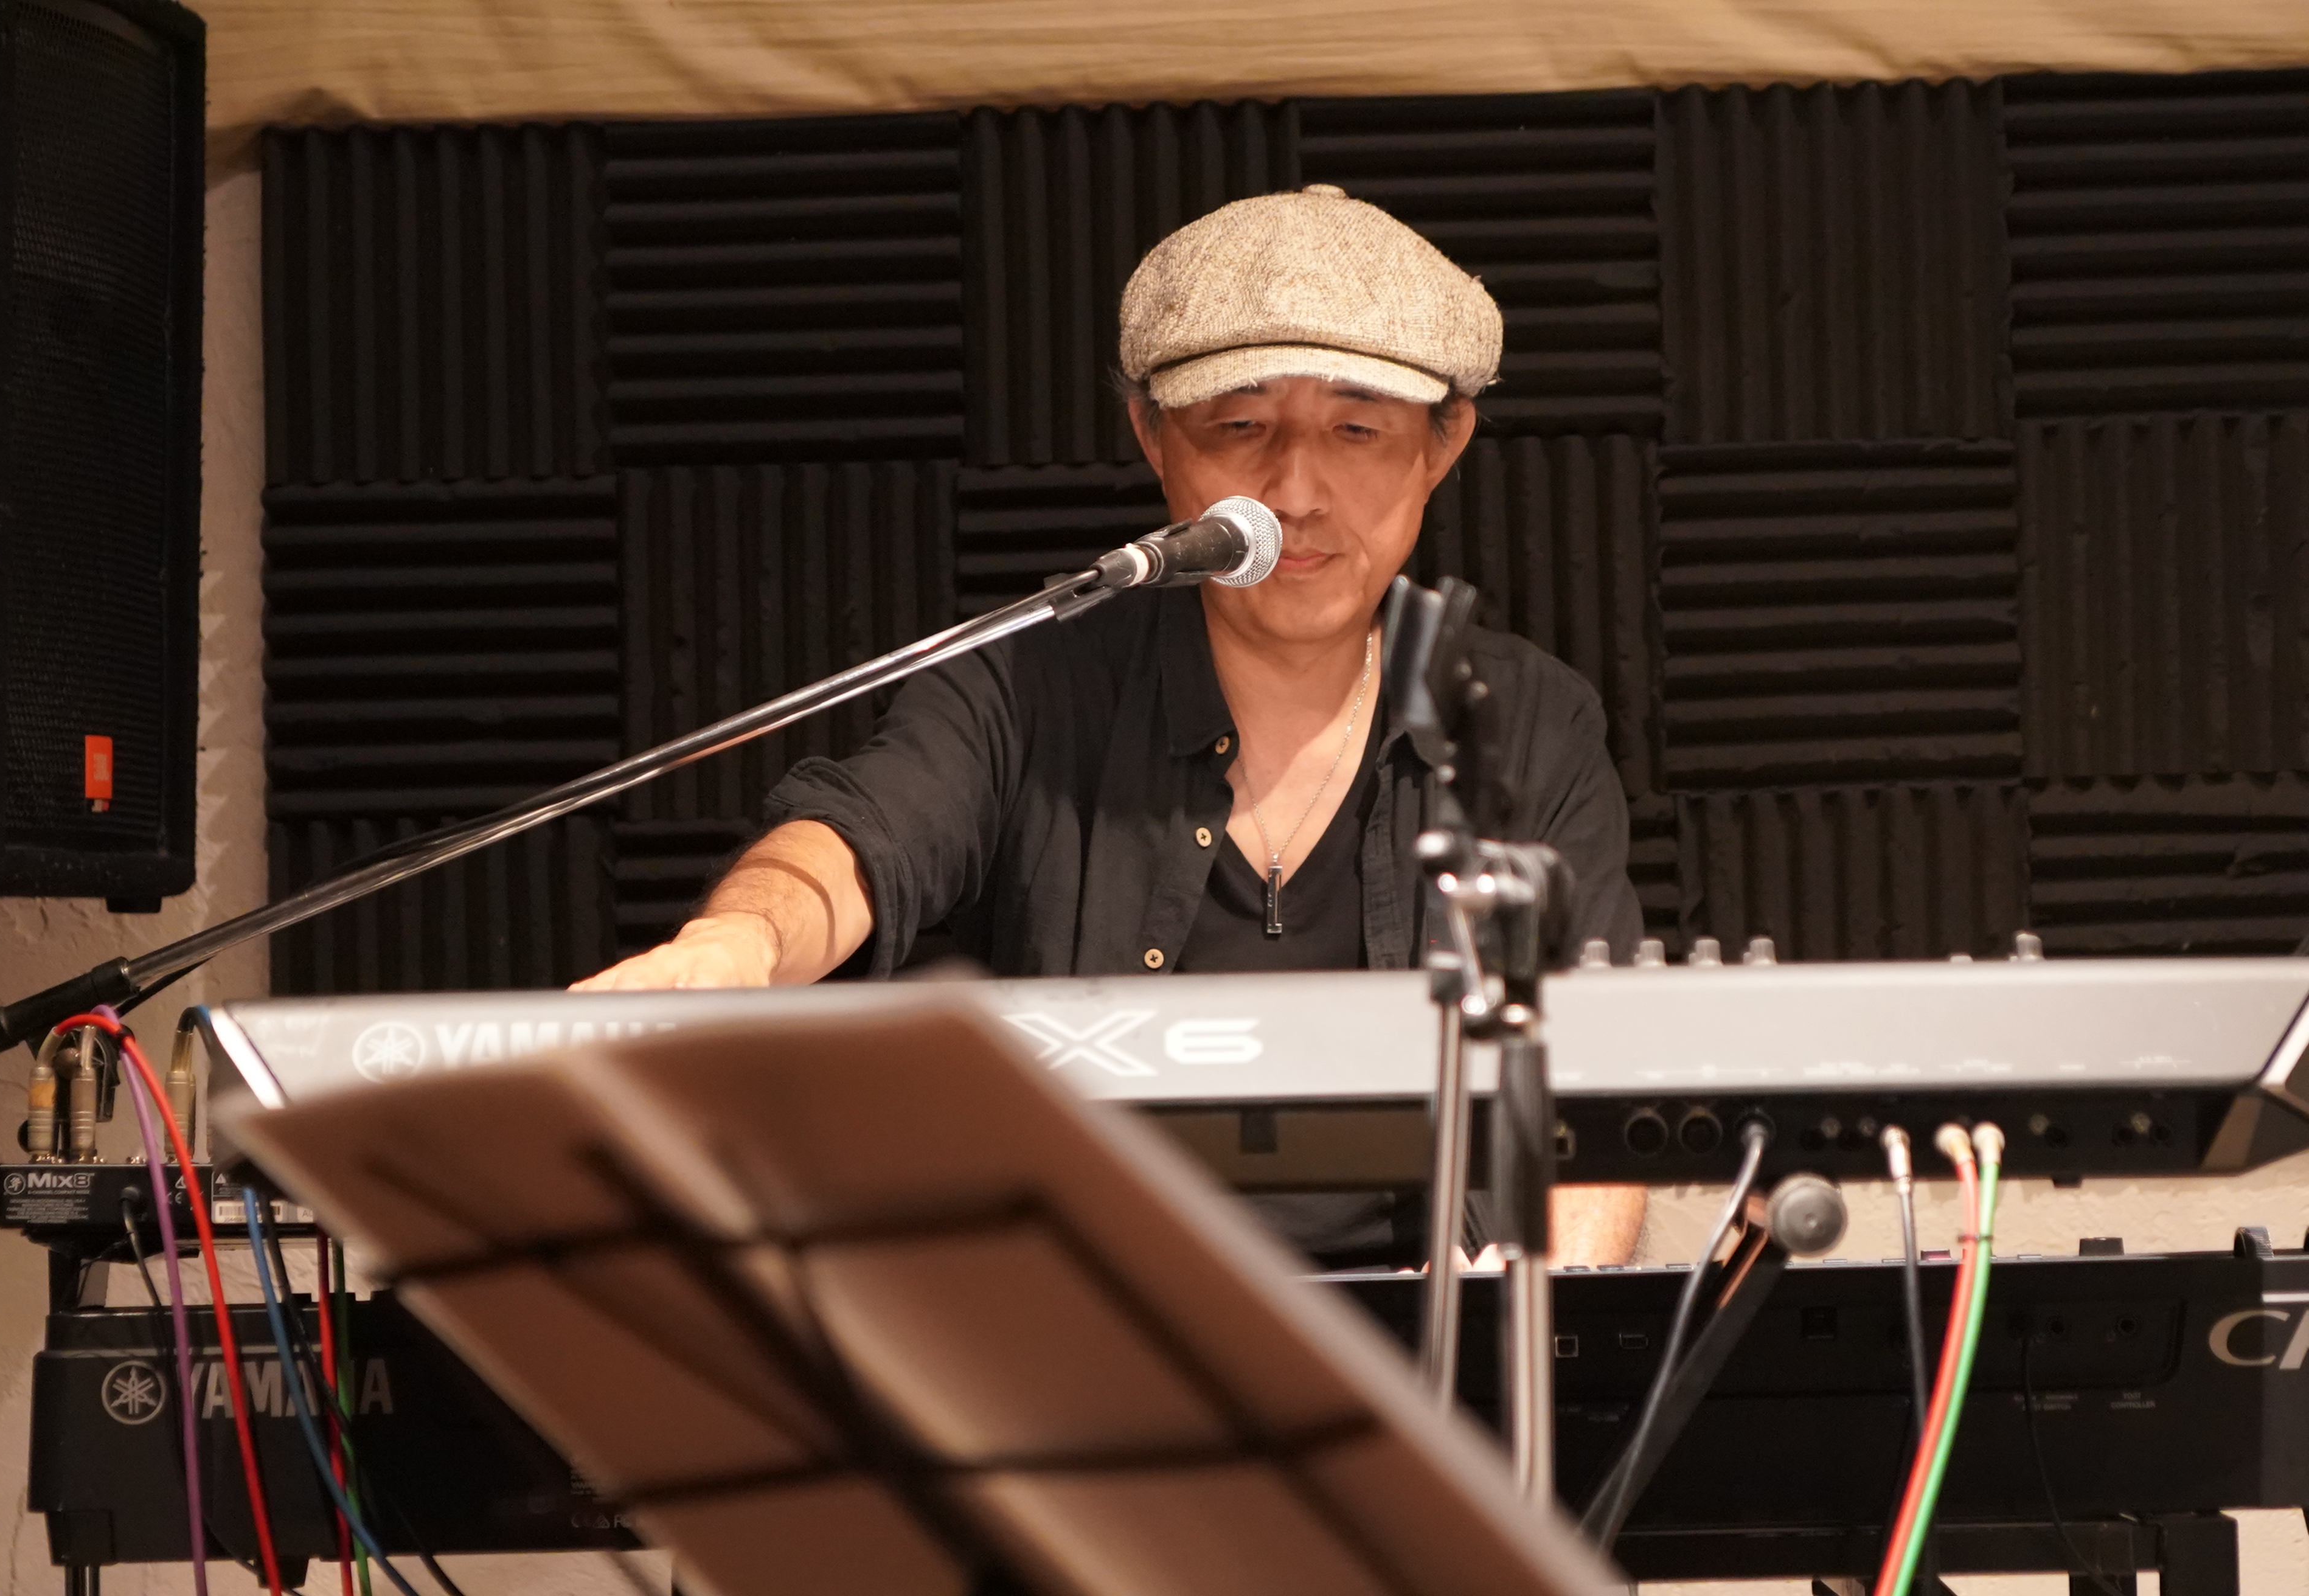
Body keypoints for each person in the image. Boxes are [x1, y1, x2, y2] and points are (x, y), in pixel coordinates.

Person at [575, 183, 1647, 1266]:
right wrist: (739, 941)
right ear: (1153, 435)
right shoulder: (1028, 680)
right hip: (1090, 1323)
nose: (1296, 492)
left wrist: (1554, 1330)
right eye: (1240, 427)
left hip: (1435, 1335)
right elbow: (864, 838)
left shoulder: (1528, 721)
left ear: (1443, 445)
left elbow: (1590, 1082)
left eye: (1358, 429)